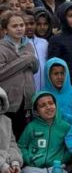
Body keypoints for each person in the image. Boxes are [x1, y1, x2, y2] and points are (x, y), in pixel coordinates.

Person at [0, 10, 39, 138]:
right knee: (8, 137)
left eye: (21, 25)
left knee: (23, 134)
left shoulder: (28, 45)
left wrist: (30, 61)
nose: (19, 29)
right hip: (9, 101)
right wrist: (25, 60)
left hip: (27, 100)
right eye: (14, 26)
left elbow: (34, 68)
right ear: (5, 30)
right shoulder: (2, 47)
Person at [18, 92, 72, 173]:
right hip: (32, 168)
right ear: (36, 112)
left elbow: (71, 147)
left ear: (56, 105)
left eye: (51, 103)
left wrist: (62, 159)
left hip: (56, 167)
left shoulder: (65, 127)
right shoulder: (31, 126)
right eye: (42, 105)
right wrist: (29, 159)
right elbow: (21, 146)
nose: (48, 107)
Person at [42, 58, 72, 124]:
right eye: (56, 74)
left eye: (62, 73)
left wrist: (65, 117)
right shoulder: (42, 95)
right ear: (48, 75)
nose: (59, 77)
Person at [23, 12, 48, 92]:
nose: (29, 27)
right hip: (27, 90)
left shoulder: (44, 42)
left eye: (32, 23)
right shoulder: (18, 44)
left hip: (45, 89)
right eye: (25, 24)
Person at [0, 87, 22, 173]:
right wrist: (2, 165)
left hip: (7, 164)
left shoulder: (7, 121)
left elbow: (12, 144)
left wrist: (15, 162)